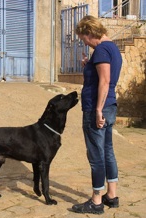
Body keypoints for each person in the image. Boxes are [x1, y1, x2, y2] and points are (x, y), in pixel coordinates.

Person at [71, 15, 122, 214]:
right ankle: (112, 195)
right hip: (110, 105)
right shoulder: (112, 48)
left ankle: (96, 201)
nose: (84, 42)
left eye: (84, 38)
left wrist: (98, 110)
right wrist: (89, 65)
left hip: (97, 108)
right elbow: (101, 75)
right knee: (107, 151)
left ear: (91, 33)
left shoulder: (101, 49)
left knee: (96, 156)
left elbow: (105, 81)